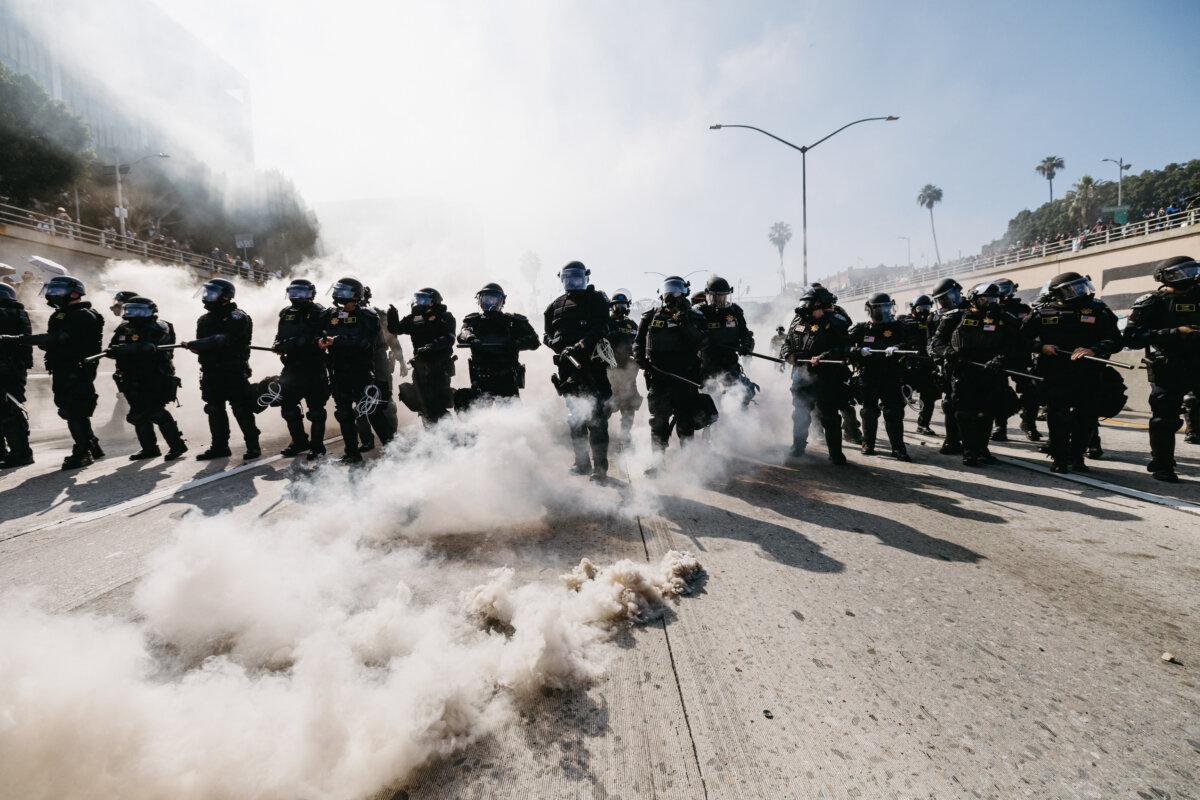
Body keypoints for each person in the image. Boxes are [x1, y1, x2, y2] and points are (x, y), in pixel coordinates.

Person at [1021, 272, 1122, 474]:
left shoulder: (1098, 309)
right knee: (1057, 417)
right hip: (1054, 373)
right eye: (1072, 289)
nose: (1079, 292)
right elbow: (1020, 339)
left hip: (1088, 373)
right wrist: (1041, 347)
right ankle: (1059, 458)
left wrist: (1094, 349)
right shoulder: (1042, 312)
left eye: (1080, 286)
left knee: (1085, 418)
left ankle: (1077, 457)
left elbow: (1116, 339)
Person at [1123, 255, 1200, 482]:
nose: (1188, 277)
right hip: (1169, 366)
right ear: (1165, 277)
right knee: (1164, 419)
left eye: (1192, 270)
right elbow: (1132, 337)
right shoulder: (1152, 302)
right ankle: (1163, 464)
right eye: (1181, 273)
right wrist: (1176, 332)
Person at [930, 282, 1022, 467]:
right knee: (965, 413)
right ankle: (970, 451)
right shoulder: (955, 317)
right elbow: (935, 344)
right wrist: (950, 353)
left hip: (991, 372)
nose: (990, 303)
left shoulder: (1004, 318)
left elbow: (1017, 344)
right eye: (985, 299)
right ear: (973, 299)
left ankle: (982, 449)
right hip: (964, 371)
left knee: (987, 412)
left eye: (993, 299)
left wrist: (1001, 359)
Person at [543, 261, 612, 480]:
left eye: (577, 277)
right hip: (567, 371)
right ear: (562, 279)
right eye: (568, 278)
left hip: (591, 366)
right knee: (575, 418)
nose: (573, 282)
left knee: (597, 419)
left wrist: (580, 345)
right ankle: (582, 464)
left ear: (585, 278)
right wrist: (556, 345)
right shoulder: (555, 305)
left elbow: (601, 327)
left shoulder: (596, 300)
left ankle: (600, 469)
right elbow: (546, 334)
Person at [27, 276, 105, 469]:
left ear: (75, 293)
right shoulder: (61, 314)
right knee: (73, 409)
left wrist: (23, 339)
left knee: (73, 410)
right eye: (52, 291)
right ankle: (92, 444)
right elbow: (54, 341)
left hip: (76, 368)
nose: (53, 295)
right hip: (63, 367)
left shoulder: (83, 314)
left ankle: (83, 452)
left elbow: (61, 339)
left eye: (58, 291)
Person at [183, 278, 260, 460]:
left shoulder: (238, 316)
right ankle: (219, 447)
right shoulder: (204, 319)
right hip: (211, 372)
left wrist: (196, 344)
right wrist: (196, 347)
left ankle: (253, 446)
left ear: (225, 296)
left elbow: (223, 339)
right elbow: (204, 346)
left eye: (212, 293)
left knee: (241, 409)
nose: (207, 296)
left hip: (232, 371)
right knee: (214, 409)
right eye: (206, 292)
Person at [634, 276, 709, 459]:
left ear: (684, 293)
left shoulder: (695, 317)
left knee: (686, 422)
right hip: (659, 377)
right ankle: (657, 463)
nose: (672, 295)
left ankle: (688, 463)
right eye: (669, 290)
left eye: (677, 290)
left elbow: (702, 342)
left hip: (685, 377)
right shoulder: (651, 316)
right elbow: (638, 342)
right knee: (658, 422)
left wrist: (682, 320)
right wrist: (640, 358)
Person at [105, 296, 187, 460]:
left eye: (139, 310)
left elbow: (159, 346)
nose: (134, 314)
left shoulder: (161, 326)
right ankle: (149, 448)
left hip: (154, 376)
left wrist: (143, 348)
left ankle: (177, 445)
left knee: (156, 412)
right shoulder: (123, 328)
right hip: (130, 377)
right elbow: (112, 348)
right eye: (131, 310)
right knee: (137, 413)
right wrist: (114, 352)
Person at [780, 284, 850, 465]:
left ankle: (836, 454)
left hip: (826, 377)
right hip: (801, 375)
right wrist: (788, 355)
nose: (809, 311)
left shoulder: (835, 322)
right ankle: (798, 447)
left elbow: (844, 348)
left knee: (829, 416)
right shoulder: (798, 321)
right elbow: (786, 343)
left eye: (813, 307)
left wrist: (822, 356)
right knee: (800, 413)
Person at [319, 277, 380, 464]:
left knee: (372, 411)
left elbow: (364, 341)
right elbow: (318, 333)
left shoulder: (368, 316)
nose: (340, 295)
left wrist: (336, 340)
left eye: (345, 292)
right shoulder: (330, 315)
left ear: (355, 296)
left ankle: (392, 447)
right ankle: (352, 453)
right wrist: (319, 342)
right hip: (338, 372)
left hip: (360, 372)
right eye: (339, 291)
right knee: (344, 413)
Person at [847, 293, 912, 460]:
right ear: (870, 309)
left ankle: (898, 448)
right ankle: (868, 444)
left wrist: (898, 347)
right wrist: (857, 351)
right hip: (869, 375)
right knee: (869, 412)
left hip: (891, 374)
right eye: (880, 307)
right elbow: (844, 346)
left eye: (887, 306)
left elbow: (910, 342)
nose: (885, 311)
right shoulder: (862, 329)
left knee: (894, 412)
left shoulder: (899, 326)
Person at [272, 279, 329, 460]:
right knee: (287, 408)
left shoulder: (320, 312)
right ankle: (299, 442)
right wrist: (277, 345)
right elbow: (279, 336)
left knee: (316, 411)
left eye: (302, 292)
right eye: (293, 292)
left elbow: (319, 338)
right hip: (291, 367)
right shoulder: (286, 313)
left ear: (311, 293)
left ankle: (317, 446)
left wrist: (295, 343)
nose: (297, 296)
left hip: (313, 366)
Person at [456, 282, 540, 405]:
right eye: (486, 298)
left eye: (493, 298)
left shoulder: (512, 321)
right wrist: (471, 338)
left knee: (512, 418)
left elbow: (534, 340)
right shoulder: (473, 321)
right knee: (476, 417)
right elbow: (462, 333)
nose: (489, 302)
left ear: (501, 301)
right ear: (479, 300)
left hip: (507, 378)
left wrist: (516, 343)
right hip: (481, 378)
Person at [387, 287, 456, 426]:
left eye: (423, 299)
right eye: (418, 298)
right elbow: (396, 329)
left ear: (434, 301)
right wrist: (392, 316)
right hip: (420, 366)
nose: (419, 302)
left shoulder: (445, 317)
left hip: (439, 366)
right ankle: (431, 434)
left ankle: (448, 435)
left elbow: (449, 338)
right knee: (422, 402)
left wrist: (432, 346)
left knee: (438, 402)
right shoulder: (415, 318)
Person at [991, 278, 1040, 442]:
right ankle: (1000, 426)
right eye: (1000, 289)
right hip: (998, 356)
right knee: (998, 391)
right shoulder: (990, 308)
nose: (1003, 293)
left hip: (1020, 356)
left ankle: (1028, 423)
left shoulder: (1022, 308)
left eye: (1006, 289)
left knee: (1031, 391)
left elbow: (1024, 329)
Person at [694, 275, 756, 401]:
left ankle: (741, 418)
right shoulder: (698, 313)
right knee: (708, 398)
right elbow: (690, 337)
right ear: (708, 295)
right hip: (706, 365)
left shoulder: (735, 312)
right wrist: (703, 341)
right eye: (716, 296)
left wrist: (746, 346)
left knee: (745, 393)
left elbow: (745, 335)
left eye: (724, 295)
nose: (721, 299)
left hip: (729, 363)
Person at [928, 277, 967, 454]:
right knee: (950, 404)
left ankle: (974, 445)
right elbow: (932, 344)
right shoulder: (938, 317)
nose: (943, 302)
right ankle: (952, 440)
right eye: (940, 299)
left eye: (946, 297)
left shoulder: (972, 309)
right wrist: (945, 354)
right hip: (952, 366)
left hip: (976, 365)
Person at [356, 286, 397, 448]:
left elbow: (392, 339)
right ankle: (366, 440)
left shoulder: (377, 314)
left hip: (379, 361)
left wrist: (396, 359)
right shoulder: (343, 315)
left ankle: (391, 437)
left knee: (384, 401)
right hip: (358, 362)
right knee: (360, 403)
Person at [0, 283, 33, 468]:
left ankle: (21, 453)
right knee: (8, 410)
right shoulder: (18, 313)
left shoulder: (7, 313)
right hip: (14, 369)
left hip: (7, 370)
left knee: (9, 411)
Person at [897, 294, 940, 435]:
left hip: (927, 364)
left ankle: (923, 425)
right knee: (902, 396)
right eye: (921, 308)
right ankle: (895, 422)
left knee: (929, 397)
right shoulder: (904, 320)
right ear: (914, 308)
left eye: (927, 307)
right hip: (908, 364)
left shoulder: (934, 321)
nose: (924, 311)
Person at [605, 290, 642, 444]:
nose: (620, 308)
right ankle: (601, 437)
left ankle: (625, 437)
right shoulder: (606, 323)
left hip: (628, 372)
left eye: (623, 305)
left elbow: (638, 344)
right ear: (611, 307)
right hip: (609, 370)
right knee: (605, 406)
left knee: (630, 405)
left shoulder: (632, 325)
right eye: (616, 305)